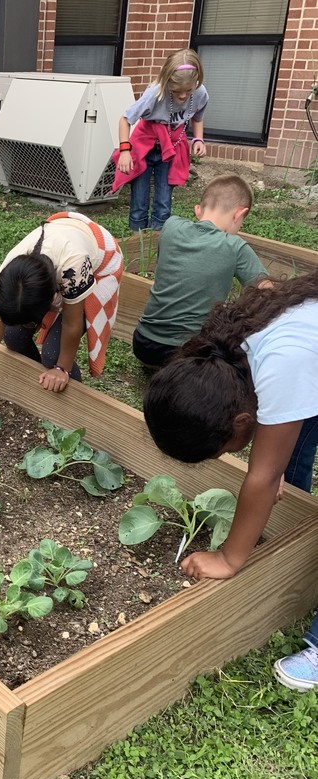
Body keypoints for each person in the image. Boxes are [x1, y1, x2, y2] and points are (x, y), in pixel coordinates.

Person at [143, 273, 318, 690]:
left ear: (242, 421)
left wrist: (228, 558)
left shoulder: (279, 365)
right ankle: (283, 527)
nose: (229, 455)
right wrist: (272, 478)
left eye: (222, 450)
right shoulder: (229, 348)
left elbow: (260, 474)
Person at [0, 212, 123, 408]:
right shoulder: (7, 278)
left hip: (101, 259)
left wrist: (62, 368)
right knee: (14, 337)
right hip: (60, 245)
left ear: (52, 300)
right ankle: (41, 382)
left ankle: (73, 406)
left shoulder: (74, 269)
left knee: (54, 354)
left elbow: (72, 322)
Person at [133, 174, 273, 368]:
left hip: (144, 345)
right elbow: (267, 293)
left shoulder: (171, 226)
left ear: (198, 210)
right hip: (189, 354)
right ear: (239, 214)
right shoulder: (234, 246)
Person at [113, 48, 209, 231]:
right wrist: (125, 151)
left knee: (164, 201)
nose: (182, 95)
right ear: (167, 81)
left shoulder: (200, 93)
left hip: (170, 148)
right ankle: (137, 240)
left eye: (188, 90)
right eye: (176, 91)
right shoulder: (155, 93)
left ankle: (157, 240)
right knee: (139, 201)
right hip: (145, 146)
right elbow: (125, 119)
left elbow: (197, 117)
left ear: (197, 82)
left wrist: (198, 140)